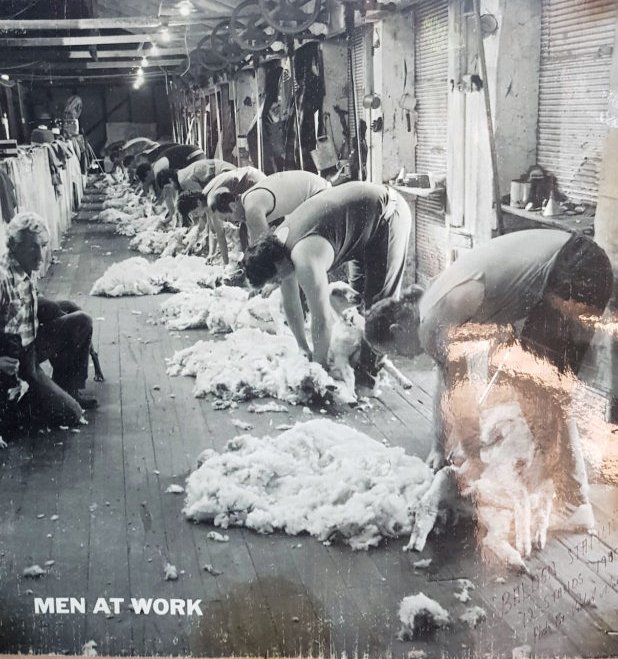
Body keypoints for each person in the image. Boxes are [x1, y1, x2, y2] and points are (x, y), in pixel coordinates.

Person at [364, 229, 614, 528]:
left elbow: (461, 395)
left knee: (538, 389)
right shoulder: (430, 305)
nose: (404, 358)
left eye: (395, 353)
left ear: (396, 330)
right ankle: (561, 481)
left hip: (573, 267)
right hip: (574, 260)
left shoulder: (432, 323)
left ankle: (574, 505)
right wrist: (438, 446)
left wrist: (474, 458)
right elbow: (447, 381)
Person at [243, 182, 411, 369]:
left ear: (276, 264)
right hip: (361, 221)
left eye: (274, 279)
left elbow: (322, 320)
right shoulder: (278, 246)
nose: (277, 283)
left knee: (378, 309)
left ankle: (367, 377)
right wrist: (303, 347)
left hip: (388, 214)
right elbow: (291, 304)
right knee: (356, 307)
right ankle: (359, 364)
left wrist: (318, 369)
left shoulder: (304, 258)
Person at [0, 213, 91, 435]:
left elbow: (28, 304)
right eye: (33, 248)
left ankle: (68, 389)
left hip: (30, 345)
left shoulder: (24, 267)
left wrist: (60, 309)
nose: (41, 255)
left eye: (43, 245)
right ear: (14, 246)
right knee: (73, 414)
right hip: (15, 362)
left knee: (80, 320)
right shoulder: (3, 279)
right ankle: (27, 404)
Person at [210, 169, 329, 245]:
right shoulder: (247, 200)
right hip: (318, 190)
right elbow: (254, 243)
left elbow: (264, 250)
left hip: (321, 195)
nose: (232, 223)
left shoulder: (252, 209)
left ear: (232, 206)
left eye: (228, 219)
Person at [156, 158, 235, 224]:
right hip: (224, 172)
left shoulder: (184, 181)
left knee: (222, 210)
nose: (172, 190)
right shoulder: (182, 174)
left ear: (170, 180)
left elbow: (202, 201)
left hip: (227, 173)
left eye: (169, 187)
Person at [135, 142, 204, 195]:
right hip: (193, 154)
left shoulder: (157, 169)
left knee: (191, 184)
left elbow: (164, 191)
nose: (147, 182)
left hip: (194, 154)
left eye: (145, 180)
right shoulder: (155, 166)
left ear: (148, 173)